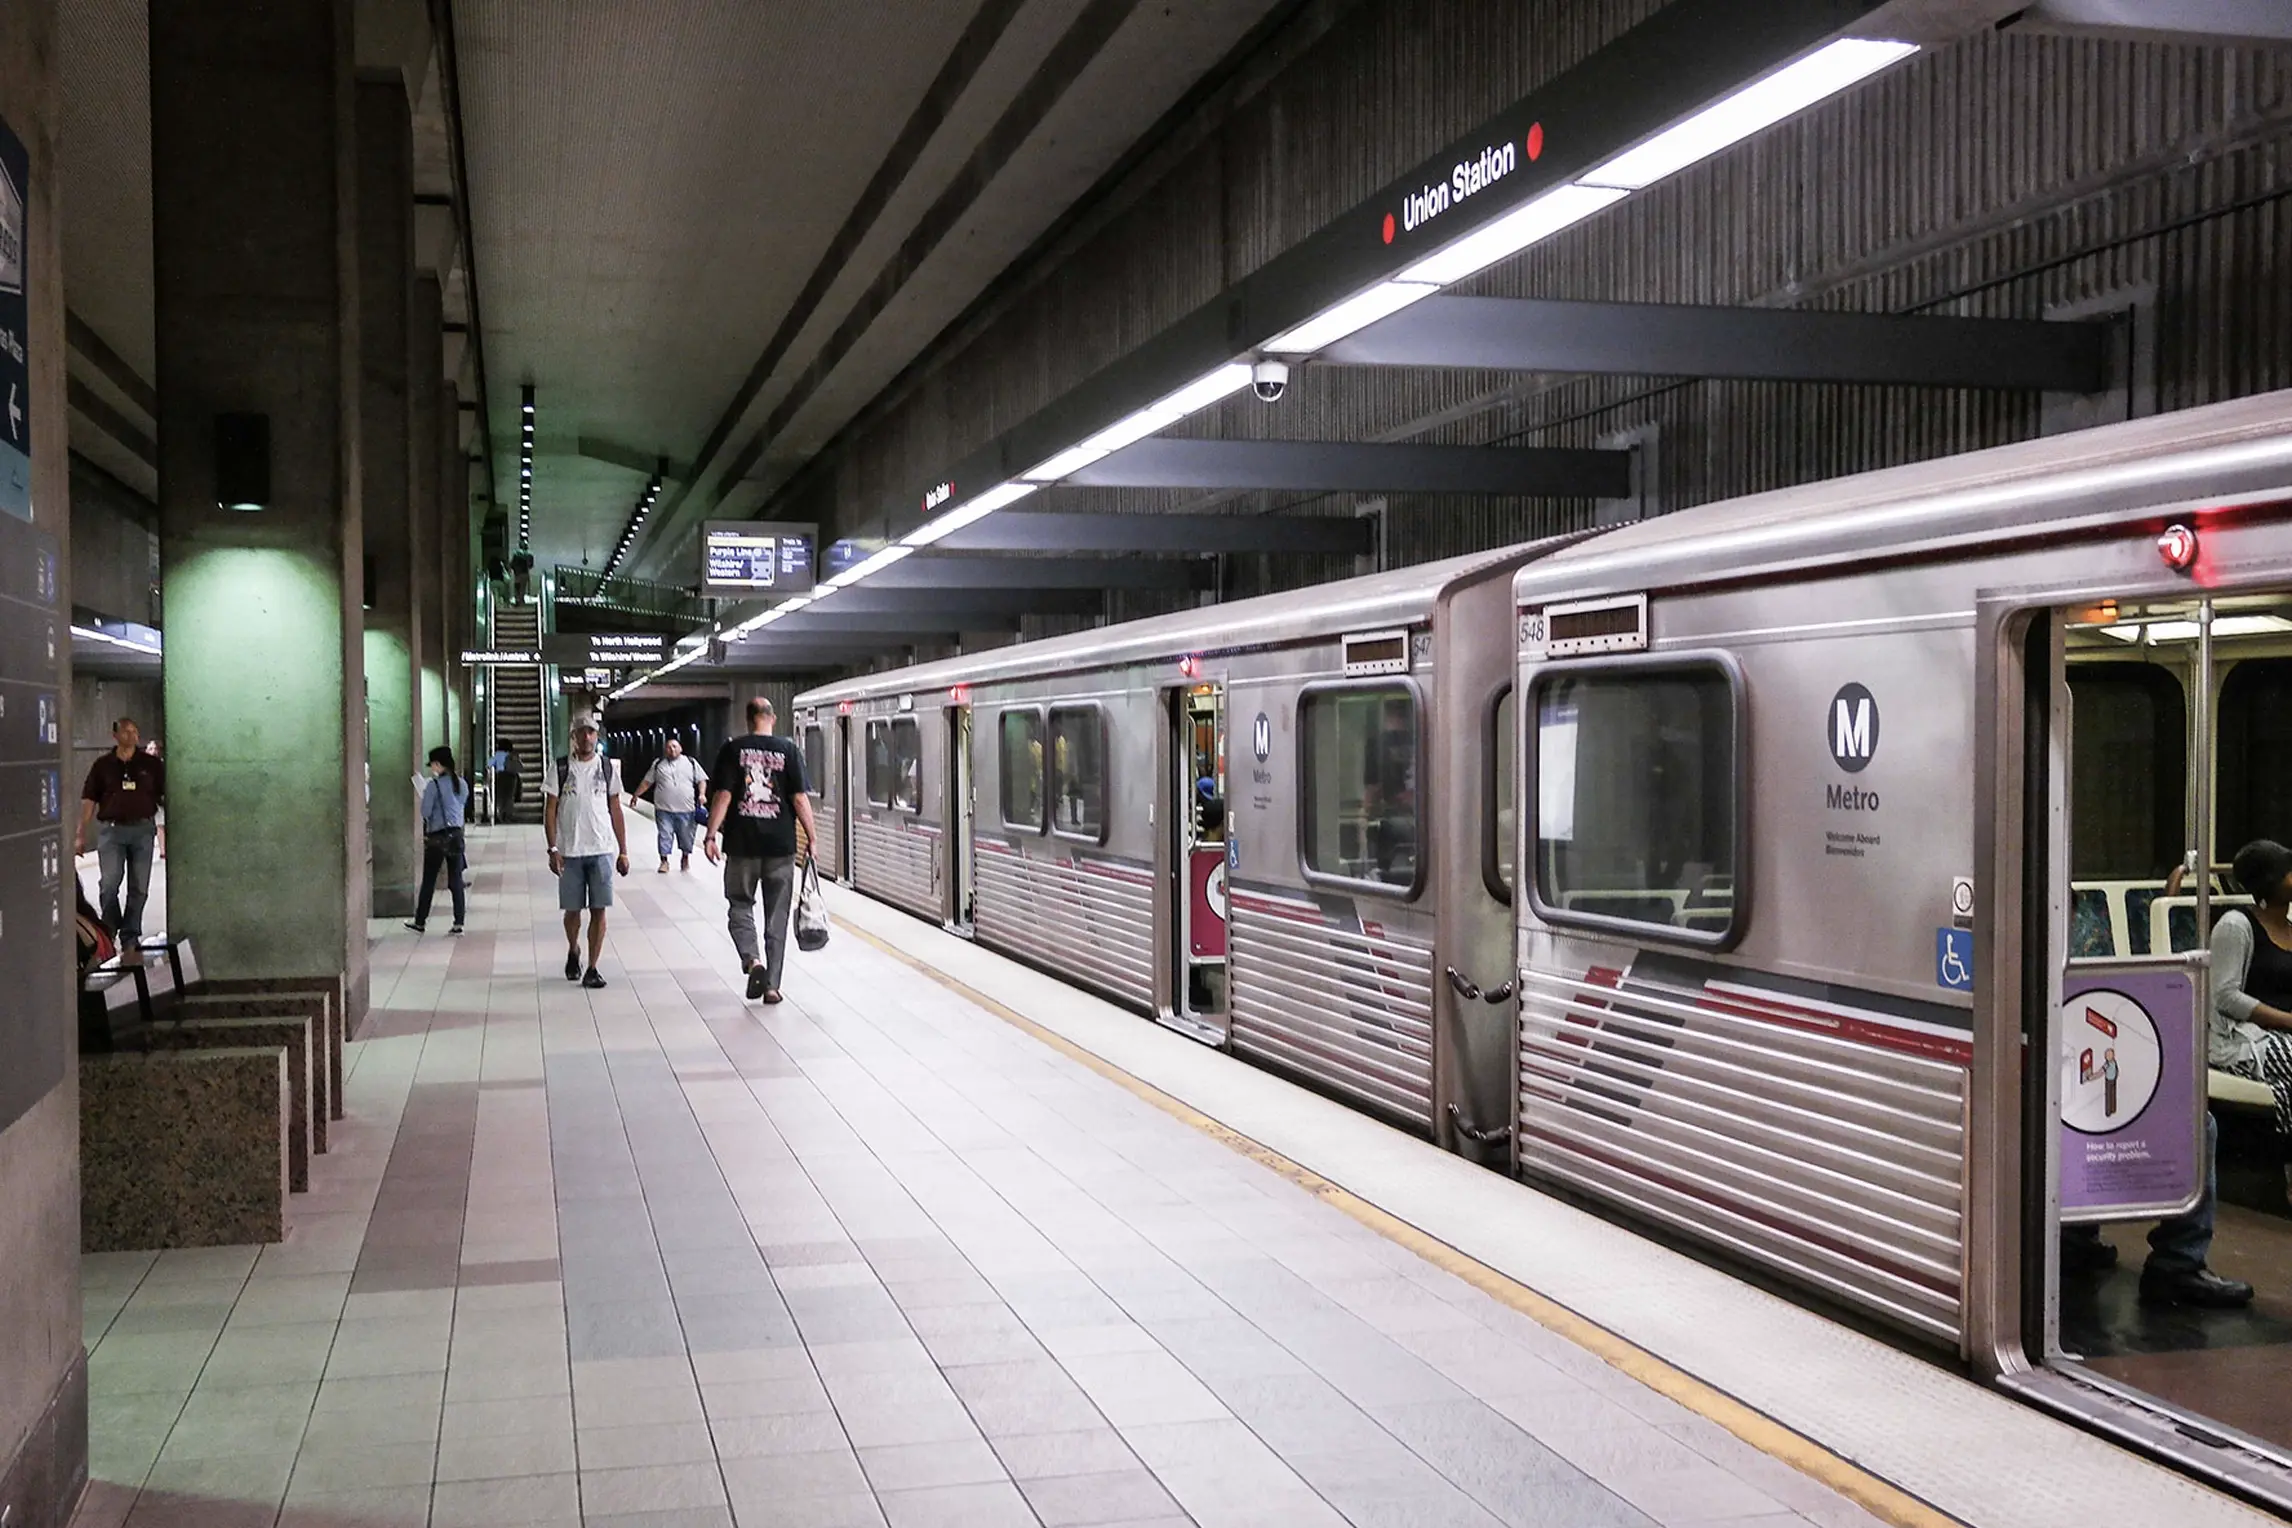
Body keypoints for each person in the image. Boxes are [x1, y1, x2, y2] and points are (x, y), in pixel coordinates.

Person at [704, 696, 816, 1005]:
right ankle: (772, 987)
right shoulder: (789, 750)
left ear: (747, 718)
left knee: (740, 905)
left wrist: (711, 834)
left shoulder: (732, 749)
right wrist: (813, 838)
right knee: (776, 917)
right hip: (781, 847)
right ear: (773, 718)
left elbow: (724, 795)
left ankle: (752, 961)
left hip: (742, 846)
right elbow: (799, 799)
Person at [542, 713, 629, 989]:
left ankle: (592, 967)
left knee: (599, 909)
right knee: (572, 910)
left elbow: (616, 807)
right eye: (581, 732)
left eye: (591, 732)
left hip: (601, 848)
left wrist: (623, 850)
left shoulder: (605, 768)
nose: (587, 737)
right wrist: (553, 847)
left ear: (597, 735)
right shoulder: (560, 768)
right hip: (570, 851)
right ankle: (573, 949)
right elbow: (551, 809)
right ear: (573, 737)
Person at [78, 715, 164, 944]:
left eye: (135, 732)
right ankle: (110, 926)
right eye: (126, 731)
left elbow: (165, 795)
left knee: (139, 888)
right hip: (112, 832)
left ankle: (130, 935)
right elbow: (88, 799)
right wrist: (80, 833)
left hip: (143, 831)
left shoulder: (151, 765)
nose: (132, 736)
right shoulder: (103, 766)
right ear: (114, 735)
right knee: (109, 884)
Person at [406, 746, 469, 935]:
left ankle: (420, 921)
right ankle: (459, 922)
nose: (432, 768)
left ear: (438, 764)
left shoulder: (433, 786)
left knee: (429, 880)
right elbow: (460, 805)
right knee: (456, 880)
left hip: (437, 837)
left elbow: (425, 812)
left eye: (433, 764)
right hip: (456, 835)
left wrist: (424, 795)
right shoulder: (462, 783)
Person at [635, 736, 709, 872]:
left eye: (675, 746)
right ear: (665, 750)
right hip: (664, 809)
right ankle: (664, 861)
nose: (672, 749)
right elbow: (647, 782)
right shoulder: (658, 764)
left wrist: (702, 794)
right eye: (669, 747)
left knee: (687, 837)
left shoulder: (691, 763)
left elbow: (702, 779)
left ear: (680, 748)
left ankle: (685, 857)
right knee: (664, 835)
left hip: (687, 809)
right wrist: (636, 795)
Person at [499, 742, 523, 812]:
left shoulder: (498, 755)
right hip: (511, 777)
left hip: (500, 777)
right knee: (509, 797)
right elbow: (520, 768)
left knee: (501, 797)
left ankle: (501, 814)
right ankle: (507, 815)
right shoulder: (514, 755)